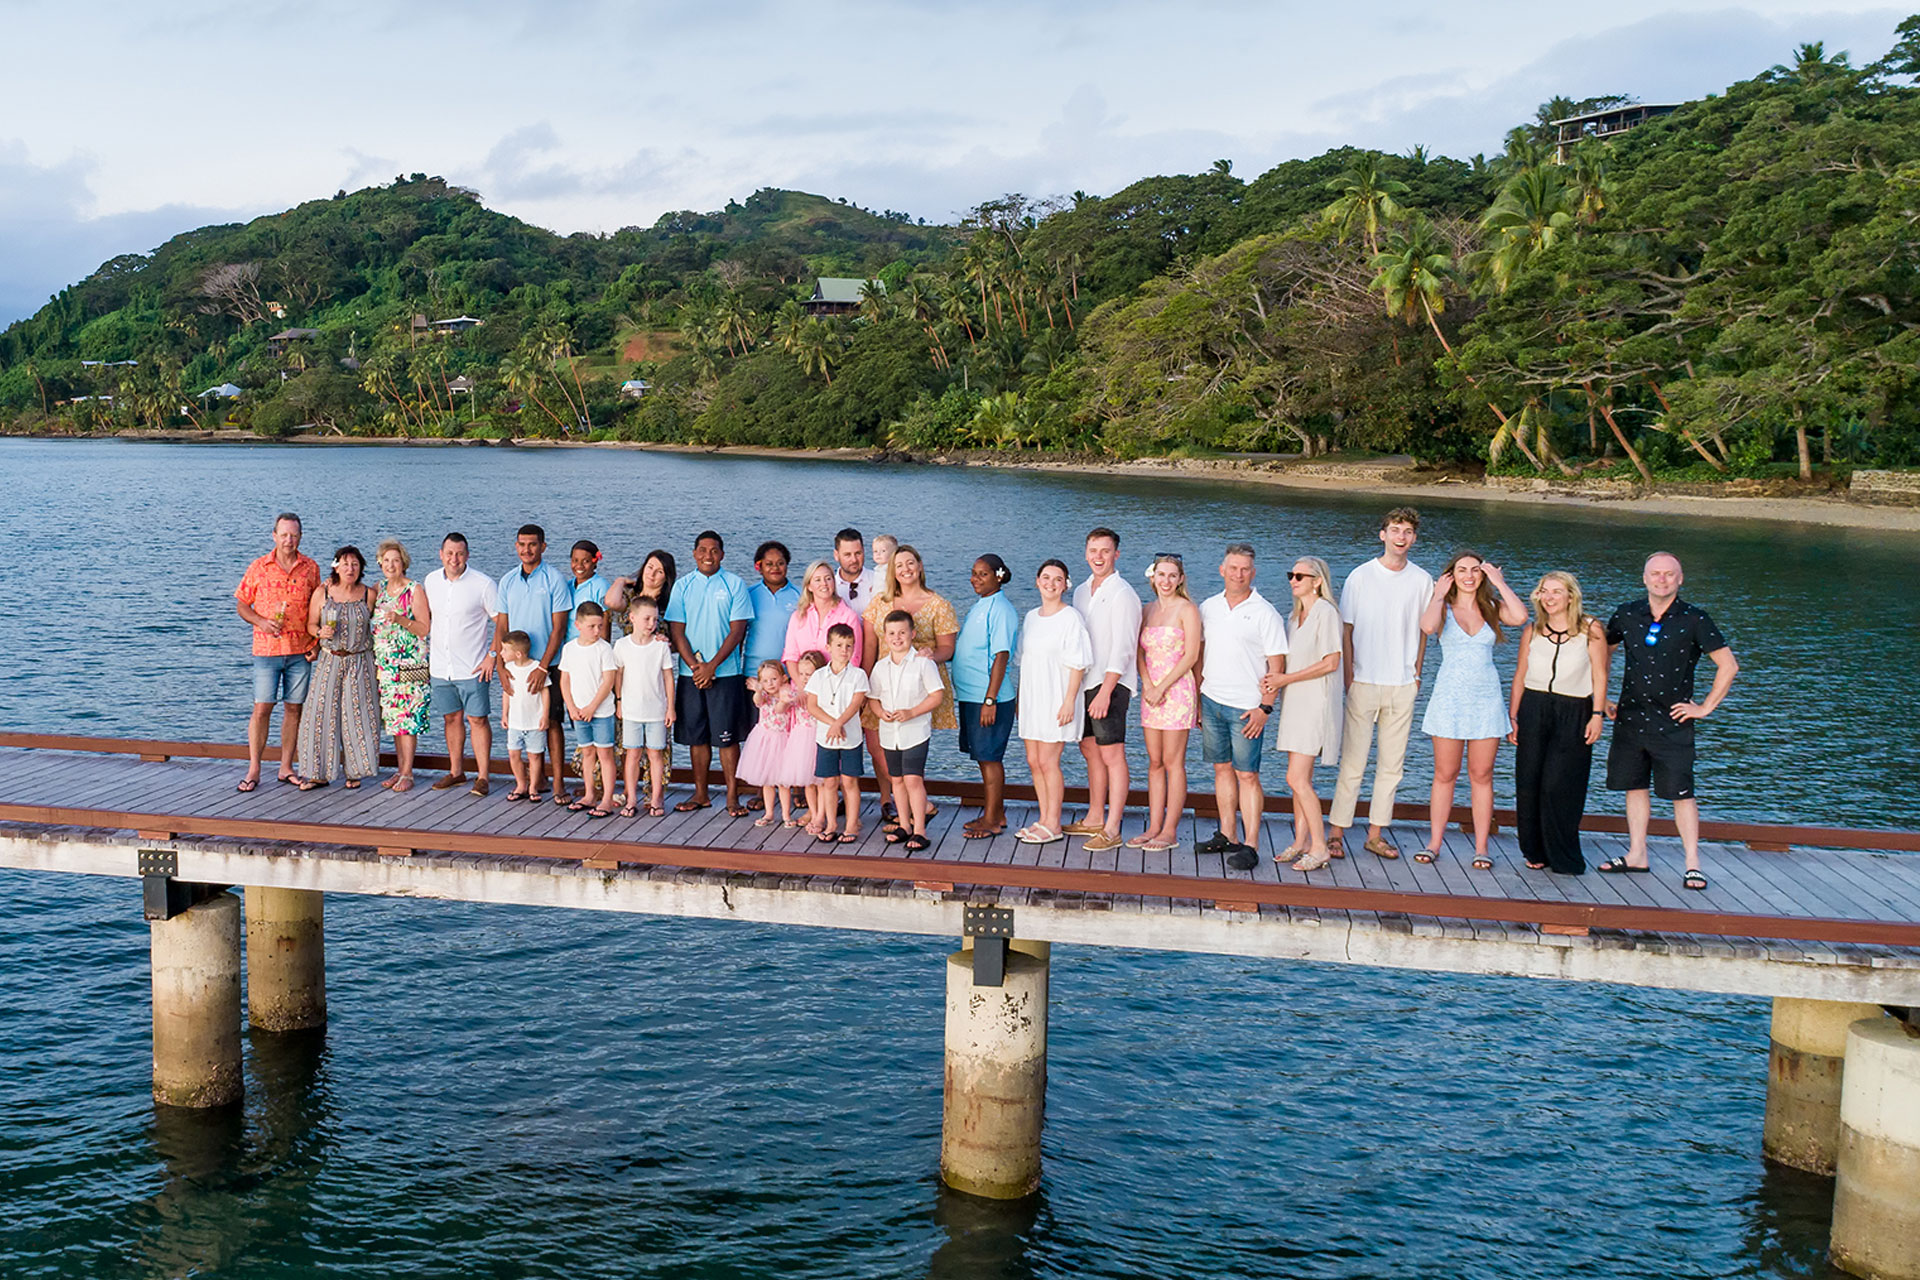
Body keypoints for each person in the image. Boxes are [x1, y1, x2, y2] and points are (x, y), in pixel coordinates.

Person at [1599, 552, 1739, 890]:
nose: (1662, 580)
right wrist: (1600, 696)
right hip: (1630, 716)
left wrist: (1704, 707)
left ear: (1680, 579)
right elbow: (1602, 651)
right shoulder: (1627, 614)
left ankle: (1693, 864)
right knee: (1634, 786)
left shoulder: (1695, 619)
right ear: (1644, 578)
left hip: (1673, 719)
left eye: (1669, 574)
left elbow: (1728, 665)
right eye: (1655, 574)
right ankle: (1637, 854)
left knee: (1682, 793)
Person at [1328, 508, 1433, 860]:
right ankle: (1337, 833)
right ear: (1382, 534)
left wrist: (1416, 672)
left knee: (1392, 765)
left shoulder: (1422, 581)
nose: (1401, 537)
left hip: (1403, 683)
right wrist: (1348, 676)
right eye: (1395, 530)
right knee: (1353, 763)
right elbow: (1347, 629)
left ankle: (1375, 833)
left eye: (1407, 531)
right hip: (1364, 679)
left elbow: (1422, 631)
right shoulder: (1361, 576)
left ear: (1414, 538)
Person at [1417, 552, 1528, 868]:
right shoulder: (1443, 607)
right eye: (1461, 570)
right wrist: (1439, 593)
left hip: (1486, 701)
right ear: (1451, 574)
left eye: (1475, 570)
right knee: (1445, 774)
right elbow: (1427, 627)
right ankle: (1434, 842)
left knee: (1481, 775)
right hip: (1449, 700)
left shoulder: (1492, 607)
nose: (1469, 575)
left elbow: (1520, 617)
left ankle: (1482, 847)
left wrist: (1499, 582)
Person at [1195, 544, 1289, 871]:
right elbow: (1199, 655)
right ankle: (1227, 834)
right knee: (1221, 769)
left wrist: (1266, 708)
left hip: (1247, 708)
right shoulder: (1208, 608)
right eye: (1233, 568)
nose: (1239, 574)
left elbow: (1276, 667)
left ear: (1253, 572)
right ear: (1222, 569)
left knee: (1247, 775)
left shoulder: (1265, 613)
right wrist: (1197, 699)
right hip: (1211, 700)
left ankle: (1250, 845)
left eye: (1245, 569)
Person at [1508, 571, 1607, 875]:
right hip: (1534, 707)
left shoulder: (1591, 629)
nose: (1550, 597)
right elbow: (1520, 676)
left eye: (1556, 592)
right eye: (1544, 592)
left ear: (1570, 596)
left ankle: (1563, 853)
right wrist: (1513, 718)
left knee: (1560, 784)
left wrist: (1597, 714)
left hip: (1574, 709)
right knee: (1529, 781)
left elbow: (1600, 676)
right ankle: (1534, 849)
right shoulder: (1532, 631)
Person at [860, 545, 958, 827]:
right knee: (878, 745)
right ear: (892, 570)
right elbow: (870, 644)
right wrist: (864, 688)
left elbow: (947, 649)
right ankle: (893, 802)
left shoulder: (939, 604)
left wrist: (931, 654)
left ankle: (917, 809)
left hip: (918, 684)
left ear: (920, 565)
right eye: (899, 565)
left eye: (910, 563)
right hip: (882, 681)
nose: (905, 569)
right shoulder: (880, 602)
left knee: (913, 748)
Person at [664, 530, 755, 816]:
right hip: (690, 674)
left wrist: (712, 665)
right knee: (697, 736)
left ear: (722, 554)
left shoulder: (734, 584)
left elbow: (737, 630)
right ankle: (701, 794)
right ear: (694, 553)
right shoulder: (682, 586)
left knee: (727, 739)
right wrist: (695, 667)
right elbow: (676, 630)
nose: (708, 555)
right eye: (702, 550)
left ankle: (732, 796)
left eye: (714, 550)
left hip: (726, 674)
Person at [1065, 527, 1143, 852]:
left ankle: (1113, 828)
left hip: (1110, 684)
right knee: (1089, 750)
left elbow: (1124, 649)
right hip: (1085, 681)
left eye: (1105, 551)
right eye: (1094, 550)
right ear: (1086, 553)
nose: (1099, 557)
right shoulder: (1082, 591)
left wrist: (1106, 690)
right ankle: (1095, 816)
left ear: (1116, 555)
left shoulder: (1124, 594)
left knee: (1112, 754)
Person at [234, 513, 319, 792]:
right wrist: (260, 621)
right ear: (274, 535)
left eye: (293, 535)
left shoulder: (311, 568)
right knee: (262, 708)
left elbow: (319, 608)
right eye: (283, 535)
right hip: (267, 650)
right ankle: (254, 768)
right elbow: (242, 605)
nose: (288, 540)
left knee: (294, 709)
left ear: (300, 537)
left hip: (301, 651)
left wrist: (316, 643)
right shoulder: (259, 567)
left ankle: (286, 767)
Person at [1268, 557, 1344, 872]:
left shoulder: (1326, 613)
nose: (1293, 579)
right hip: (1294, 702)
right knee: (1300, 779)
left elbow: (1332, 662)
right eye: (1291, 574)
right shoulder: (1294, 616)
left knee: (1296, 777)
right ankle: (1300, 841)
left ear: (1317, 580)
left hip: (1315, 701)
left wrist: (1285, 679)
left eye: (1301, 575)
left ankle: (1319, 846)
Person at [494, 524, 574, 804]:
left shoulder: (554, 579)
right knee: (519, 719)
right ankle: (532, 782)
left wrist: (543, 667)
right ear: (516, 546)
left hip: (546, 664)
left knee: (550, 722)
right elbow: (501, 624)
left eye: (532, 544)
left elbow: (559, 628)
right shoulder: (507, 581)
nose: (526, 549)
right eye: (521, 544)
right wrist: (500, 667)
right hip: (515, 665)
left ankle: (558, 784)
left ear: (543, 546)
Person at [1015, 559, 1092, 846]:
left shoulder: (1070, 617)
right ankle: (1044, 817)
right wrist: (1022, 700)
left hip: (1056, 697)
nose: (1050, 583)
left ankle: (1054, 822)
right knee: (1033, 760)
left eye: (1057, 579)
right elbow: (1024, 661)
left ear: (1065, 585)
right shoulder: (1032, 617)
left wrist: (1069, 701)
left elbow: (1078, 664)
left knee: (1049, 762)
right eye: (1045, 578)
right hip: (1032, 698)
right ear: (1037, 581)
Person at [294, 546, 381, 790]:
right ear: (336, 567)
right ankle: (317, 773)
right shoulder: (323, 593)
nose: (350, 569)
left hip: (360, 660)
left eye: (354, 564)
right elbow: (311, 624)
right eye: (345, 564)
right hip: (330, 659)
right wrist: (320, 632)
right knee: (320, 714)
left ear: (361, 568)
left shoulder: (369, 595)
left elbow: (379, 628)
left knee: (359, 715)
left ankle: (356, 771)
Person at [423, 532, 499, 796]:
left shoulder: (483, 584)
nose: (454, 559)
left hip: (473, 666)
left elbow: (502, 621)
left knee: (477, 719)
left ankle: (483, 776)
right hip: (441, 667)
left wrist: (493, 655)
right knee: (451, 718)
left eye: (459, 553)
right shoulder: (431, 581)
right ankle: (456, 772)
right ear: (441, 554)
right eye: (449, 553)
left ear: (467, 555)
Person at [1134, 553, 1200, 853]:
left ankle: (1170, 829)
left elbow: (1191, 655)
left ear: (1181, 579)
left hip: (1176, 691)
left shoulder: (1187, 609)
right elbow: (1138, 651)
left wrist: (1163, 687)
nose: (1166, 581)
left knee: (1174, 762)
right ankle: (1153, 825)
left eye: (1173, 575)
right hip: (1151, 692)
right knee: (1155, 762)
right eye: (1162, 575)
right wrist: (1148, 684)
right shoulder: (1146, 610)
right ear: (1153, 577)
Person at [953, 555, 1018, 840]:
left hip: (989, 699)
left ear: (998, 577)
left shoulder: (1001, 608)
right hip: (972, 695)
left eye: (982, 574)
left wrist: (990, 700)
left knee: (990, 758)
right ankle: (996, 811)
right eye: (973, 573)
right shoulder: (982, 605)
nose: (974, 579)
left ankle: (992, 820)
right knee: (982, 757)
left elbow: (1001, 655)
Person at [871, 610, 947, 852]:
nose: (897, 637)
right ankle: (903, 825)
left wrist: (911, 712)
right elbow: (873, 698)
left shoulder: (923, 664)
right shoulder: (880, 667)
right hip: (889, 732)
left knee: (913, 779)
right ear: (885, 636)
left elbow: (937, 696)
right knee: (897, 780)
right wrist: (881, 713)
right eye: (892, 633)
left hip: (915, 730)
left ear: (912, 634)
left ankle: (920, 830)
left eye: (902, 632)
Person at [371, 539, 431, 792]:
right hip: (386, 667)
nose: (391, 565)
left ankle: (408, 773)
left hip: (411, 664)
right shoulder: (378, 589)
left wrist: (400, 619)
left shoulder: (414, 589)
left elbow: (424, 628)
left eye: (395, 560)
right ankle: (400, 769)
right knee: (395, 719)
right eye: (386, 561)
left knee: (409, 719)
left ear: (403, 562)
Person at [805, 623, 869, 844]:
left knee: (850, 781)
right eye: (839, 645)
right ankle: (832, 823)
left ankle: (852, 824)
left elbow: (856, 704)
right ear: (828, 647)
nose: (844, 650)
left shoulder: (858, 675)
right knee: (829, 782)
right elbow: (812, 705)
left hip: (850, 737)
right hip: (825, 737)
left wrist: (840, 723)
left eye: (849, 646)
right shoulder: (819, 676)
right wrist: (832, 724)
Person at [614, 597, 675, 819]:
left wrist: (670, 708)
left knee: (655, 754)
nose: (651, 624)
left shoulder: (660, 646)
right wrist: (618, 701)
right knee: (632, 754)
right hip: (631, 710)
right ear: (632, 618)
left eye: (655, 619)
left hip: (656, 710)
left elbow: (668, 677)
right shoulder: (622, 645)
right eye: (646, 619)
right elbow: (618, 674)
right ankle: (631, 798)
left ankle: (656, 797)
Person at [558, 601, 620, 818]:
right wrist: (571, 706)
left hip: (601, 711)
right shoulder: (569, 649)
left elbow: (608, 681)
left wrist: (593, 706)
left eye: (600, 626)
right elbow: (564, 680)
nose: (596, 631)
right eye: (592, 626)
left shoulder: (604, 648)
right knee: (587, 752)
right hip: (579, 712)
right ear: (578, 625)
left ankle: (606, 799)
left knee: (605, 753)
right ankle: (589, 793)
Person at [740, 659, 809, 827]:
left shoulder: (787, 695)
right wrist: (757, 690)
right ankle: (769, 813)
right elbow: (757, 701)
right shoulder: (763, 695)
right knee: (767, 781)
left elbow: (780, 709)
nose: (769, 683)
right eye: (765, 680)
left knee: (783, 781)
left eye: (773, 679)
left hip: (782, 741)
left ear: (783, 678)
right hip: (764, 740)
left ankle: (786, 815)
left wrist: (785, 698)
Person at [784, 559, 864, 682]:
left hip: (836, 686)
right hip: (801, 689)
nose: (824, 584)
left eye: (828, 578)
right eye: (818, 580)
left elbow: (854, 658)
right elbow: (791, 656)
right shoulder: (798, 616)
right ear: (809, 586)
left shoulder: (848, 617)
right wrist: (800, 686)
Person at [500, 631, 549, 802]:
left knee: (534, 755)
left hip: (534, 721)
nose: (501, 654)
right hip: (515, 722)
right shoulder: (509, 670)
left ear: (518, 653)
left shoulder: (536, 668)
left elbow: (545, 692)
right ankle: (521, 784)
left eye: (505, 650)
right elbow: (507, 693)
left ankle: (533, 787)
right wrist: (504, 714)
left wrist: (545, 716)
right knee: (513, 753)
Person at [745, 540, 801, 677]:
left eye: (780, 563)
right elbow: (738, 635)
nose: (775, 568)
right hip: (753, 674)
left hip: (787, 674)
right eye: (769, 564)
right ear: (759, 567)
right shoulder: (748, 595)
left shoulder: (800, 595)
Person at [790, 649, 831, 836]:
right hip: (801, 738)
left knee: (821, 780)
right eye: (802, 674)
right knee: (808, 780)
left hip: (819, 737)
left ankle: (820, 816)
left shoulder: (823, 690)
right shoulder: (796, 691)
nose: (805, 678)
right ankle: (813, 812)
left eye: (810, 674)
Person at [606, 550, 677, 627]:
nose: (652, 574)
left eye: (659, 572)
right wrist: (620, 581)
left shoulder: (669, 603)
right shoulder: (631, 595)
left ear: (666, 577)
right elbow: (612, 602)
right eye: (650, 567)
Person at [565, 540, 610, 641]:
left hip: (590, 648)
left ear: (595, 562)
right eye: (575, 560)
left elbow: (605, 625)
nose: (579, 565)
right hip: (569, 648)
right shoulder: (568, 586)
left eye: (586, 561)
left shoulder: (601, 586)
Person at [832, 527, 878, 607]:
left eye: (858, 553)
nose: (854, 560)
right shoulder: (830, 587)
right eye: (847, 555)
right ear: (836, 555)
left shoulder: (878, 581)